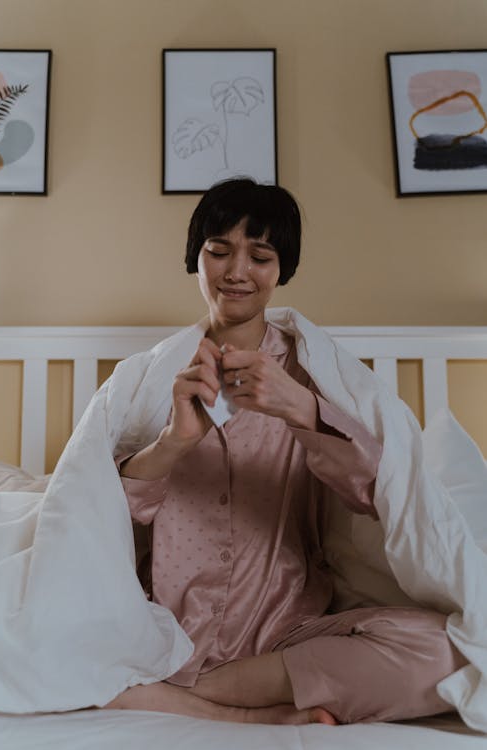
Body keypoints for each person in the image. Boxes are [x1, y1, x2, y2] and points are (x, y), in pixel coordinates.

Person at [105, 178, 466, 725]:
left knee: (451, 648)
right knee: (40, 647)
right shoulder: (152, 379)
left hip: (290, 632)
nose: (236, 272)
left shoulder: (317, 376)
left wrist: (301, 411)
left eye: (261, 256)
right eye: (218, 251)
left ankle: (189, 697)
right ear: (195, 259)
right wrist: (173, 443)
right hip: (170, 624)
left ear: (282, 269)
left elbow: (378, 493)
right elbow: (99, 514)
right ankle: (249, 714)